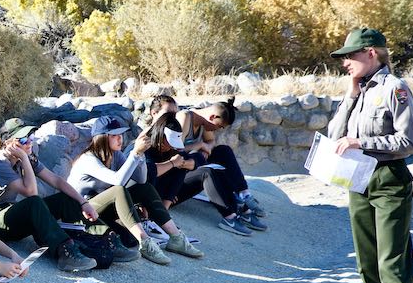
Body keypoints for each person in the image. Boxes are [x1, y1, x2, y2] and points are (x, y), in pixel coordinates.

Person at [327, 28, 413, 283]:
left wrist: (362, 142)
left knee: (392, 266)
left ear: (371, 53)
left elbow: (409, 142)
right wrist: (350, 95)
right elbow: (335, 135)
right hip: (359, 181)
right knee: (368, 266)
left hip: (389, 181)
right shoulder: (359, 89)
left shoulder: (394, 88)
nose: (345, 63)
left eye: (350, 56)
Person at [69, 117, 204, 264]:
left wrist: (141, 155)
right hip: (80, 211)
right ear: (101, 138)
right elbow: (118, 181)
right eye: (114, 135)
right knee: (118, 191)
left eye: (121, 134)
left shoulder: (115, 155)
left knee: (144, 189)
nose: (120, 139)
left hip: (99, 210)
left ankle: (176, 238)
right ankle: (145, 242)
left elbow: (141, 179)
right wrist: (134, 153)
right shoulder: (88, 159)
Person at [0, 121, 98, 272]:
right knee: (34, 203)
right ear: (8, 142)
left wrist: (83, 202)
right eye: (23, 140)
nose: (29, 143)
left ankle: (96, 237)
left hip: (7, 214)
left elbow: (56, 181)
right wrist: (25, 159)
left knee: (65, 198)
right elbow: (31, 193)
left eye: (31, 137)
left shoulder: (22, 157)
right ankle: (65, 252)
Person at [139, 112, 257, 237]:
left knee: (211, 165)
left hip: (166, 194)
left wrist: (184, 163)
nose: (170, 147)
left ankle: (240, 203)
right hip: (147, 196)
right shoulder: (145, 144)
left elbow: (195, 159)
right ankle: (230, 217)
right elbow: (148, 172)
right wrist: (173, 163)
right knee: (205, 172)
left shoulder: (171, 147)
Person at [158, 95, 268, 225]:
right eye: (219, 126)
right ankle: (230, 215)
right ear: (212, 117)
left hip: (191, 163)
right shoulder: (185, 117)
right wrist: (199, 145)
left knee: (224, 151)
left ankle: (244, 195)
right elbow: (175, 151)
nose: (218, 129)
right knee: (207, 170)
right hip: (178, 169)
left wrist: (206, 149)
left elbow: (211, 141)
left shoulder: (202, 123)